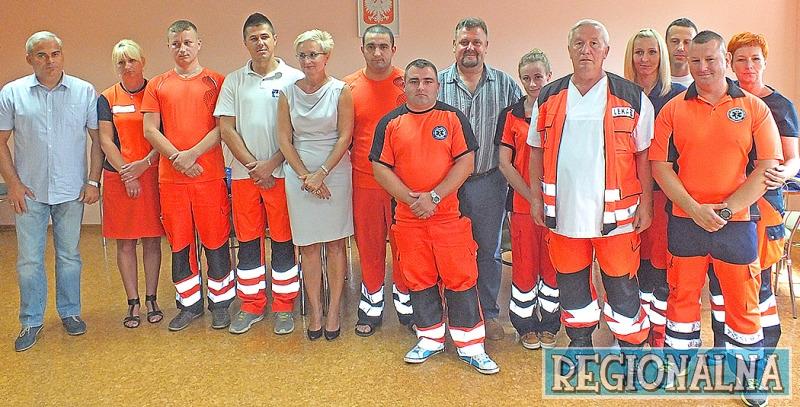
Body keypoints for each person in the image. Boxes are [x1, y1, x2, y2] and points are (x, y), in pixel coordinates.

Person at [650, 31, 782, 407]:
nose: (703, 67)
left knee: (742, 302)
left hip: (736, 224)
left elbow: (767, 167)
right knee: (682, 298)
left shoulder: (754, 108)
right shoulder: (673, 109)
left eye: (710, 59)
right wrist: (694, 208)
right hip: (685, 221)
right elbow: (660, 166)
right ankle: (678, 367)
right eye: (695, 61)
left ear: (725, 60)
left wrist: (725, 210)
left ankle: (750, 377)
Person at [528, 19, 654, 349]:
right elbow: (536, 151)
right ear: (569, 50)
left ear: (606, 51)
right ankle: (580, 341)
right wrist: (536, 199)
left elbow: (644, 156)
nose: (586, 50)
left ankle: (631, 347)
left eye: (594, 44)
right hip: (564, 216)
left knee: (622, 286)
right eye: (579, 43)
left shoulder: (632, 96)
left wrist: (647, 205)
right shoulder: (548, 96)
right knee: (571, 285)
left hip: (618, 218)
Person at [371, 58, 499, 374]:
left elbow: (466, 162)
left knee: (461, 279)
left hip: (449, 217)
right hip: (409, 219)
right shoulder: (390, 123)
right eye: (414, 81)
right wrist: (412, 200)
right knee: (419, 280)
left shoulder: (452, 118)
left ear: (437, 86)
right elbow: (380, 167)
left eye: (427, 81)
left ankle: (471, 346)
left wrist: (435, 197)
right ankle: (429, 339)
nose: (421, 87)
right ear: (404, 85)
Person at [0, 31, 102, 351]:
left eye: (55, 53)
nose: (50, 61)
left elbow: (98, 140)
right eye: (41, 55)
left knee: (69, 256)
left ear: (62, 55)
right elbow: (0, 141)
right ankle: (31, 320)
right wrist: (13, 184)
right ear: (29, 59)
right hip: (28, 193)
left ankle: (70, 312)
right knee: (29, 261)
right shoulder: (12, 93)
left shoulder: (84, 91)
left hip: (71, 191)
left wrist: (93, 181)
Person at [706, 32, 800, 356]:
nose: (749, 66)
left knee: (756, 282)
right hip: (723, 206)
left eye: (755, 59)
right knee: (720, 282)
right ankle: (722, 349)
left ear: (765, 62)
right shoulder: (720, 99)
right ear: (730, 63)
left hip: (763, 208)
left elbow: (793, 158)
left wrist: (784, 173)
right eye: (741, 59)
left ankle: (761, 355)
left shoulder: (780, 106)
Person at [214, 13, 304, 335]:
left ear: (275, 39)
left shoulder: (294, 78)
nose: (260, 43)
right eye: (253, 38)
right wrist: (255, 166)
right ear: (245, 43)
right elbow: (226, 128)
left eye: (265, 36)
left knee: (283, 241)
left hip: (282, 175)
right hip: (245, 177)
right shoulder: (234, 81)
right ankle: (251, 305)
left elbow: (298, 130)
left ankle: (284, 306)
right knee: (249, 242)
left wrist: (272, 163)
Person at [142, 20, 233, 331]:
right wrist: (177, 159)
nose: (182, 48)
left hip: (209, 176)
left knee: (216, 241)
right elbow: (150, 129)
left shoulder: (216, 81)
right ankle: (189, 305)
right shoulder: (157, 85)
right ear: (169, 47)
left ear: (198, 44)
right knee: (180, 244)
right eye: (176, 43)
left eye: (187, 42)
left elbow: (223, 128)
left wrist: (192, 155)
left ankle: (221, 304)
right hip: (172, 181)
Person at [437, 17, 522, 340]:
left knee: (488, 251)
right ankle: (454, 313)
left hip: (489, 181)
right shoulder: (436, 83)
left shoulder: (506, 85)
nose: (470, 48)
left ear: (486, 46)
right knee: (450, 251)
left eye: (476, 42)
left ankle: (487, 313)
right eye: (464, 42)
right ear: (454, 46)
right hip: (447, 185)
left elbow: (519, 132)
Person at [277, 29, 353, 341]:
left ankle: (334, 310)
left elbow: (345, 136)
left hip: (334, 174)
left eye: (314, 54)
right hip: (299, 176)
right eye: (303, 55)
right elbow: (284, 139)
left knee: (335, 245)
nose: (308, 60)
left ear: (326, 56)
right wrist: (306, 177)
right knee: (307, 247)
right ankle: (316, 309)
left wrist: (321, 173)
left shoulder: (340, 90)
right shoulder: (287, 93)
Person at [343, 24, 412, 337]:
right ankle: (370, 308)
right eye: (371, 47)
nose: (377, 53)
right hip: (365, 182)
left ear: (393, 49)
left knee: (404, 248)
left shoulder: (408, 82)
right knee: (369, 248)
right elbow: (343, 136)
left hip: (402, 183)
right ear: (363, 50)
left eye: (383, 46)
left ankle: (408, 308)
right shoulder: (348, 87)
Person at [623, 28, 686, 347]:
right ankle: (632, 332)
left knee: (659, 268)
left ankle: (657, 335)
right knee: (629, 268)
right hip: (626, 194)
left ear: (661, 56)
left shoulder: (677, 96)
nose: (645, 59)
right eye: (639, 52)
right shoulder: (619, 93)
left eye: (652, 52)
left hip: (663, 196)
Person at [495, 49, 560, 350]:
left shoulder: (560, 111)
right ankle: (525, 325)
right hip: (522, 206)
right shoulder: (510, 115)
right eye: (526, 78)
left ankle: (550, 323)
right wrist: (534, 197)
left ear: (549, 76)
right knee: (524, 266)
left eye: (538, 77)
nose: (533, 84)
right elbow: (505, 163)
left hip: (557, 207)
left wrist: (548, 199)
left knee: (552, 267)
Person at [98, 39, 164, 329]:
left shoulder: (156, 93)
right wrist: (128, 173)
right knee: (125, 243)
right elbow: (105, 140)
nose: (127, 66)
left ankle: (152, 298)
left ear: (143, 62)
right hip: (119, 177)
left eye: (132, 60)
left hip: (151, 174)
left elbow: (163, 136)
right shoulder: (107, 98)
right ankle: (133, 302)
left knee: (152, 239)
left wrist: (144, 166)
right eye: (121, 62)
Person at [664, 18, 697, 88]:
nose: (680, 48)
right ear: (665, 44)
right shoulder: (653, 83)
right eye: (675, 41)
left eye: (687, 42)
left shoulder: (701, 85)